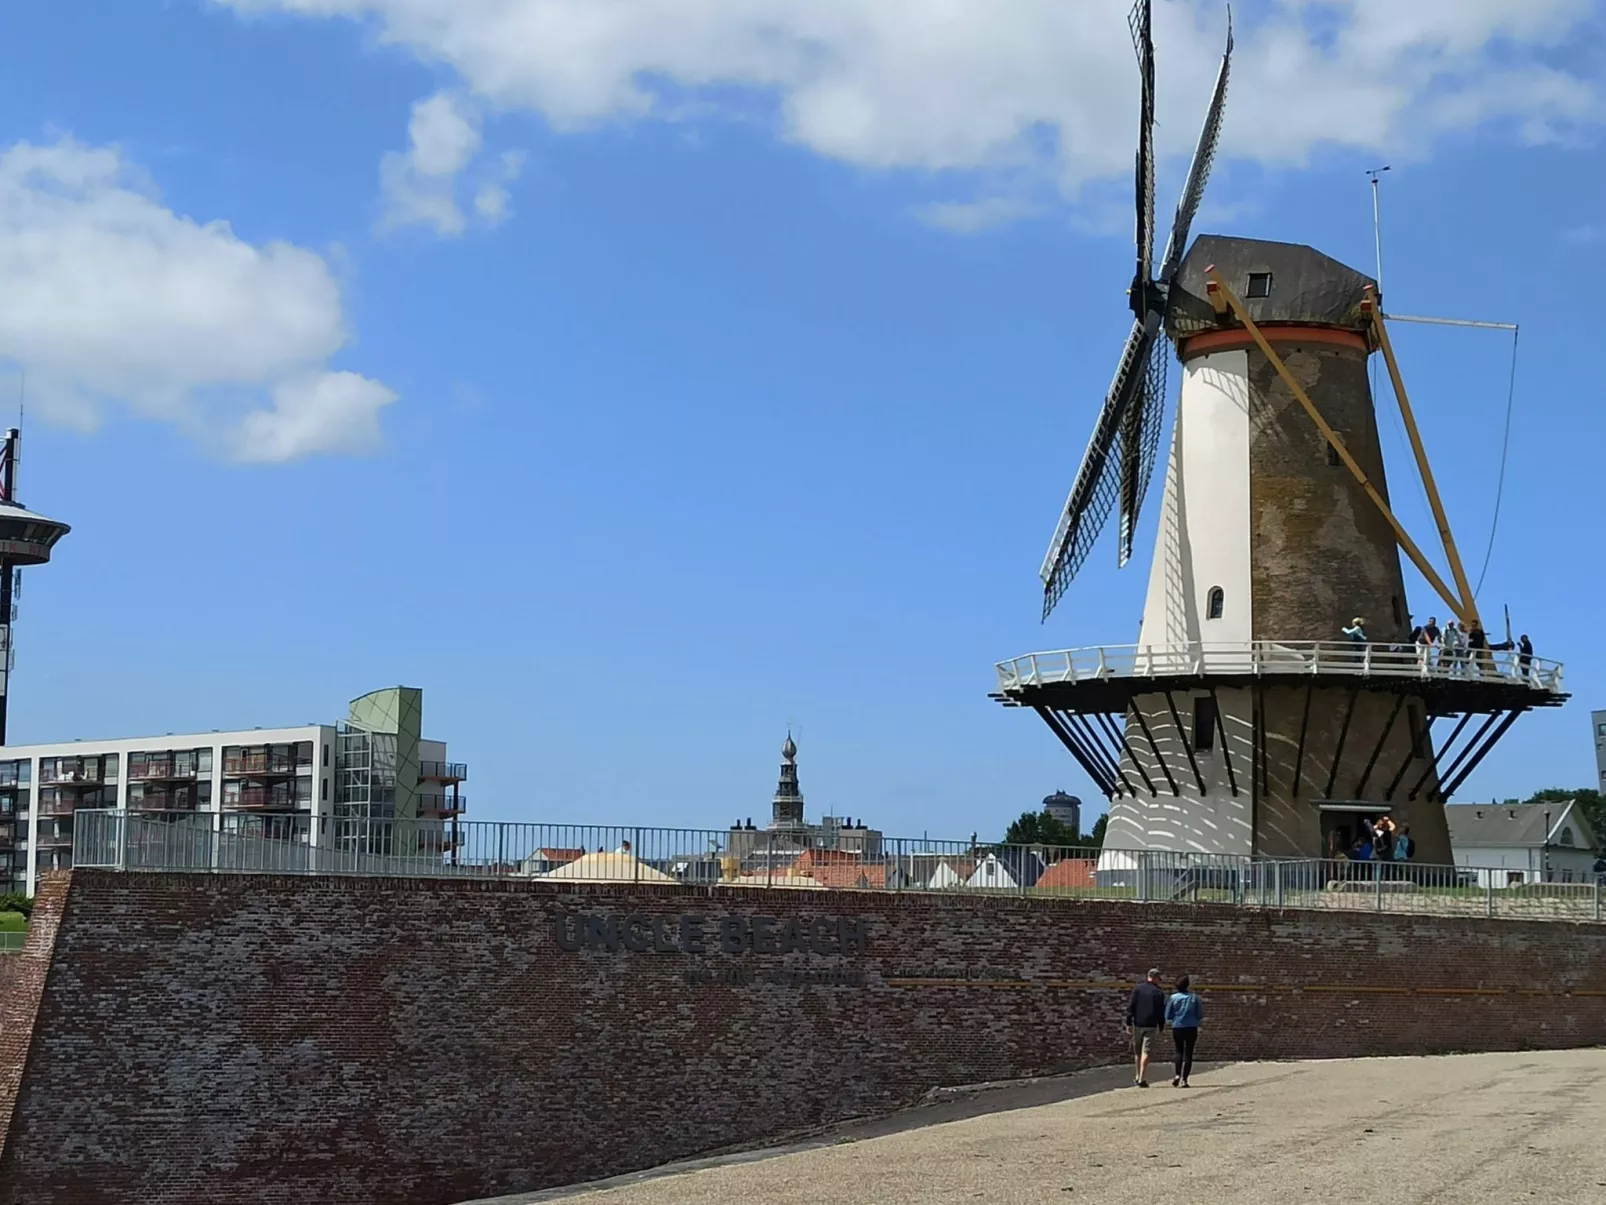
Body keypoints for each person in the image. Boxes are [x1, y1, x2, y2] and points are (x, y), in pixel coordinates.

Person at [1125, 968, 1167, 1088]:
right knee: (1146, 1052)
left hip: (1138, 1024)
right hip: (1151, 1025)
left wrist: (1128, 1023)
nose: (1159, 981)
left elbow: (1131, 1007)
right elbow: (1160, 1012)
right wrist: (1161, 1025)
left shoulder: (1138, 989)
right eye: (1158, 979)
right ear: (1155, 978)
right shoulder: (1158, 992)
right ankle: (1142, 1078)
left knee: (1137, 1052)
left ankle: (1138, 1075)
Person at [1165, 975, 1204, 1088]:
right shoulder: (1194, 998)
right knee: (1189, 1052)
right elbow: (1200, 1014)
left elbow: (1168, 1015)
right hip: (1191, 1026)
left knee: (1179, 1051)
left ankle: (1177, 1074)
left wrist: (1176, 1017)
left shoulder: (1173, 998)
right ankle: (1184, 1079)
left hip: (1177, 1026)